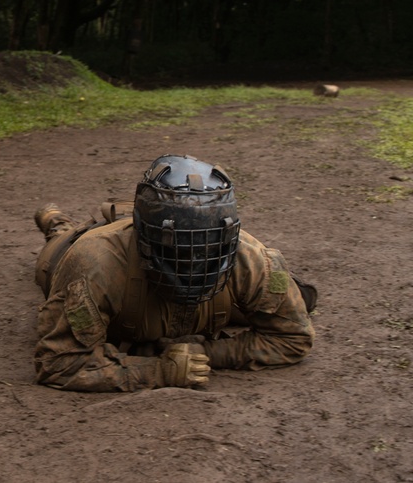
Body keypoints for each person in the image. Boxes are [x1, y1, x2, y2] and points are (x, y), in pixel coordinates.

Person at [31, 154, 316, 391]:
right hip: (78, 251)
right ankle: (58, 224)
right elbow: (59, 361)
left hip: (155, 264)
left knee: (292, 298)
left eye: (205, 246)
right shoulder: (93, 263)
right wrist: (159, 372)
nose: (193, 259)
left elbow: (293, 337)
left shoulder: (253, 259)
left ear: (228, 233)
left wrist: (208, 353)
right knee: (63, 245)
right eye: (179, 247)